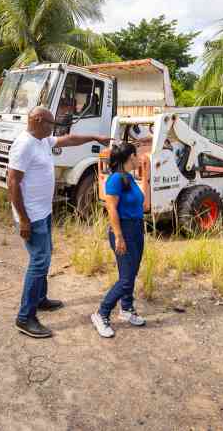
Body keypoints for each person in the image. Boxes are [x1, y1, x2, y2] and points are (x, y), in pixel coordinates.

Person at [7, 106, 111, 338]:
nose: (53, 129)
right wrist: (23, 219)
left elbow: (69, 139)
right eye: (50, 124)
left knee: (45, 256)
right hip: (31, 216)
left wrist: (95, 137)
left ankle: (40, 298)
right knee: (39, 262)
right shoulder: (24, 145)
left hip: (43, 212)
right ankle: (25, 317)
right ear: (37, 120)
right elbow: (12, 183)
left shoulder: (42, 140)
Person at [91, 143, 146, 338]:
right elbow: (111, 209)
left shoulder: (128, 178)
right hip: (124, 231)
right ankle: (102, 313)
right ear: (130, 157)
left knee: (132, 273)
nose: (139, 158)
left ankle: (126, 308)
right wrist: (119, 237)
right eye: (137, 155)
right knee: (125, 279)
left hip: (137, 229)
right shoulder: (114, 179)